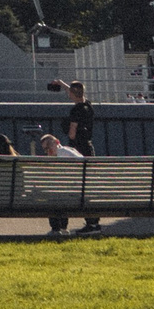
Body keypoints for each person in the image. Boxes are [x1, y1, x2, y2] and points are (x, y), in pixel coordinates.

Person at [61, 82, 100, 231]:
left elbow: (72, 133)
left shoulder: (75, 110)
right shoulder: (88, 106)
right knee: (88, 184)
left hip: (77, 149)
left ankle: (63, 224)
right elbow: (76, 93)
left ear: (72, 94)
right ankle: (93, 221)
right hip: (88, 149)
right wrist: (62, 84)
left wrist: (66, 128)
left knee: (75, 185)